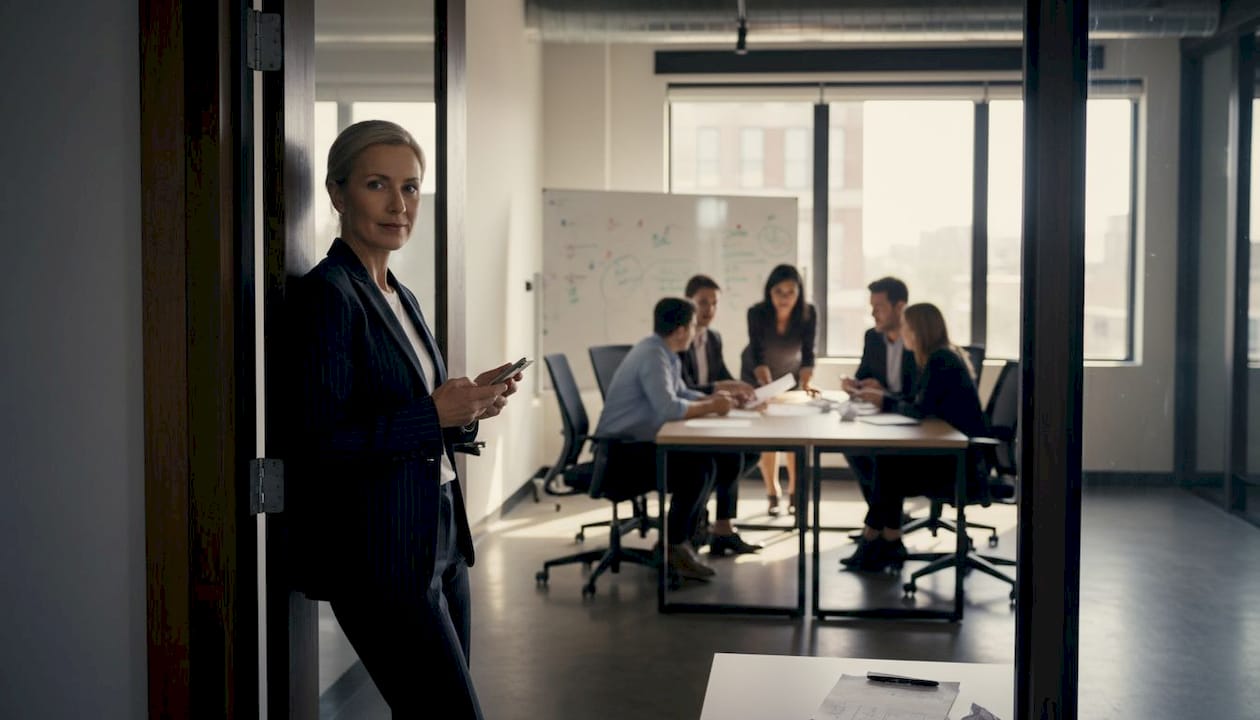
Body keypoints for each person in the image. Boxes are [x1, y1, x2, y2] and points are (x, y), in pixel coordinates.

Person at [286, 120, 522, 719]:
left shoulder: (400, 294)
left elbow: (416, 419)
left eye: (411, 188)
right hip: (380, 555)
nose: (399, 205)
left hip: (439, 535)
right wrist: (431, 412)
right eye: (377, 184)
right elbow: (317, 445)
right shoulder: (329, 296)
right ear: (338, 194)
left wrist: (467, 411)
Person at [595, 297, 737, 580]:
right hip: (619, 455)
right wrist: (710, 407)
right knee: (696, 470)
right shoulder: (652, 355)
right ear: (682, 330)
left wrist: (714, 398)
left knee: (706, 463)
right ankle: (675, 546)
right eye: (694, 326)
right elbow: (668, 408)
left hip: (635, 445)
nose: (697, 331)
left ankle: (678, 541)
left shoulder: (664, 352)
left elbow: (681, 394)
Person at [841, 303, 987, 573]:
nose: (903, 333)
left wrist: (885, 401)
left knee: (888, 463)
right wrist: (886, 398)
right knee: (888, 461)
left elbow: (921, 410)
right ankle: (887, 538)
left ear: (919, 332)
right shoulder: (940, 356)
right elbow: (919, 402)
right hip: (955, 453)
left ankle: (876, 537)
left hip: (959, 464)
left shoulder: (940, 360)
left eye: (907, 328)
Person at [680, 275, 761, 556]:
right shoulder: (680, 338)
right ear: (689, 302)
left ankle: (719, 527)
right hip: (688, 418)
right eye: (703, 302)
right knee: (730, 456)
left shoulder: (713, 338)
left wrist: (741, 389)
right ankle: (704, 520)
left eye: (714, 303)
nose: (709, 309)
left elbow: (722, 375)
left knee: (749, 453)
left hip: (710, 415)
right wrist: (721, 391)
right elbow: (685, 387)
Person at [739, 264, 819, 517]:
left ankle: (795, 492)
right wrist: (765, 385)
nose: (785, 298)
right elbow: (757, 352)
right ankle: (772, 492)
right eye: (779, 292)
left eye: (791, 292)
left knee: (793, 434)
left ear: (799, 293)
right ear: (769, 292)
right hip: (756, 372)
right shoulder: (756, 313)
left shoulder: (808, 313)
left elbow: (808, 353)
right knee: (768, 436)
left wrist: (806, 384)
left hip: (788, 375)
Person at [840, 277, 918, 506]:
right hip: (881, 415)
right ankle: (882, 519)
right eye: (871, 307)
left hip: (909, 419)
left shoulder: (916, 342)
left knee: (885, 458)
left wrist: (884, 394)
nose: (873, 314)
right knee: (852, 447)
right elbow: (864, 374)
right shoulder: (872, 337)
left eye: (879, 307)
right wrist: (854, 384)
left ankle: (879, 523)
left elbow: (918, 396)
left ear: (900, 307)